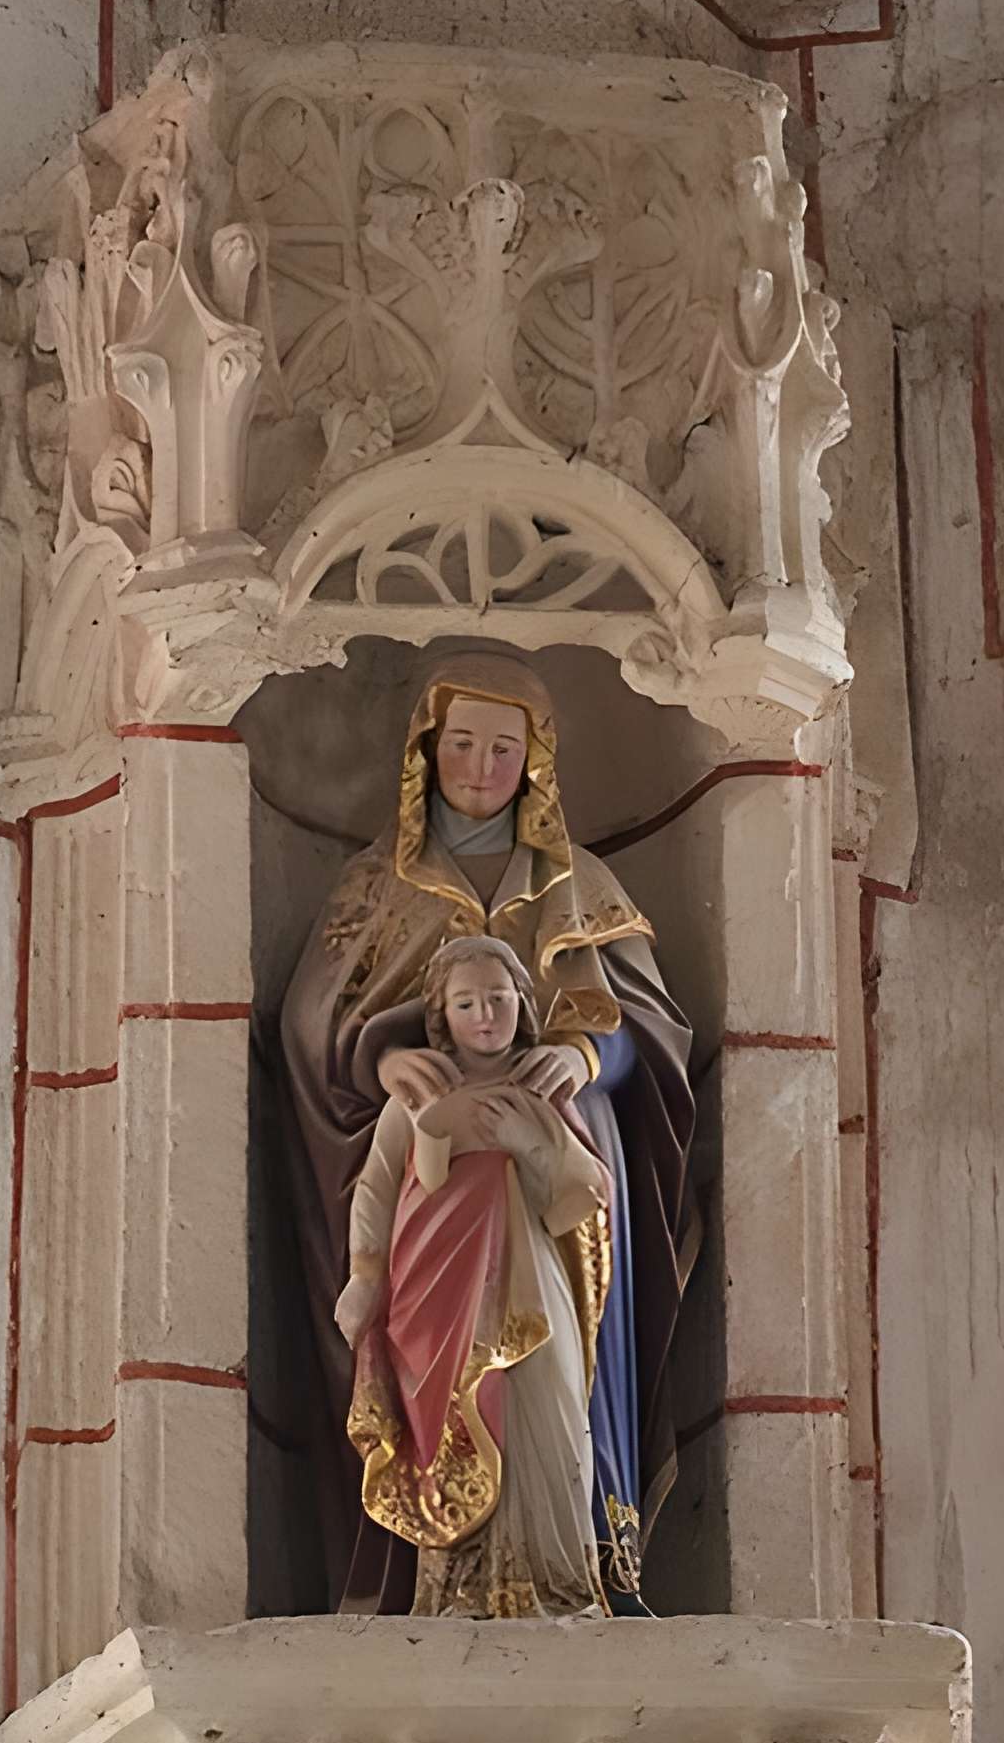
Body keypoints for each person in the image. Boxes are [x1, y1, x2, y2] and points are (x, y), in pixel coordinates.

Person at [280, 650, 695, 1614]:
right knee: (434, 1368)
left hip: (554, 1206)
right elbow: (310, 1028)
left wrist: (587, 1062)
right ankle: (424, 1571)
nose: (479, 765)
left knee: (550, 1377)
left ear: (536, 763)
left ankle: (581, 1555)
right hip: (430, 1228)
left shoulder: (581, 884)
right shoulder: (374, 888)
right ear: (427, 751)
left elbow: (655, 1032)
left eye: (503, 748)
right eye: (461, 742)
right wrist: (385, 1064)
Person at [336, 938, 611, 1619]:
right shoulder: (421, 1091)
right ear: (440, 1016)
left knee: (539, 1405)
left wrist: (529, 1144)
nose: (485, 1016)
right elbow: (375, 1186)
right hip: (436, 1286)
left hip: (530, 1281)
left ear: (523, 1002)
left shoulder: (540, 1087)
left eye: (498, 998)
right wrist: (365, 1276)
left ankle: (553, 1581)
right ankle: (458, 1589)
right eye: (466, 1003)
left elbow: (589, 1191)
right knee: (449, 1422)